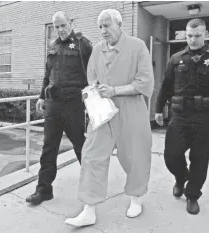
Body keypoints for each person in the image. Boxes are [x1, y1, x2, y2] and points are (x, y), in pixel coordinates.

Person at [65, 9, 154, 227]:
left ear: (119, 24)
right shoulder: (96, 49)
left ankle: (136, 198)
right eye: (100, 27)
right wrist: (95, 89)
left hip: (131, 110)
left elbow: (145, 82)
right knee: (92, 156)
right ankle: (89, 209)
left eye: (107, 26)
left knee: (135, 156)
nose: (103, 31)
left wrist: (115, 90)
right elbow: (91, 76)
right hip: (102, 110)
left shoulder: (137, 46)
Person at [155, 18, 209, 215]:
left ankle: (192, 195)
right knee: (172, 155)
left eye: (197, 36)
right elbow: (166, 86)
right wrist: (158, 109)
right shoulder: (176, 58)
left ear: (205, 34)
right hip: (180, 116)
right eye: (189, 36)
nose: (193, 40)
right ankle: (181, 178)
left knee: (200, 158)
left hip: (205, 117)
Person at [26, 11, 93, 205]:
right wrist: (40, 97)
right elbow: (47, 75)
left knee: (81, 146)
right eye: (56, 26)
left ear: (70, 22)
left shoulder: (83, 44)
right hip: (53, 106)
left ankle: (92, 186)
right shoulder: (53, 46)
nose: (60, 29)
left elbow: (96, 71)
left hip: (74, 105)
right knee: (49, 148)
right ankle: (44, 190)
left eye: (63, 25)